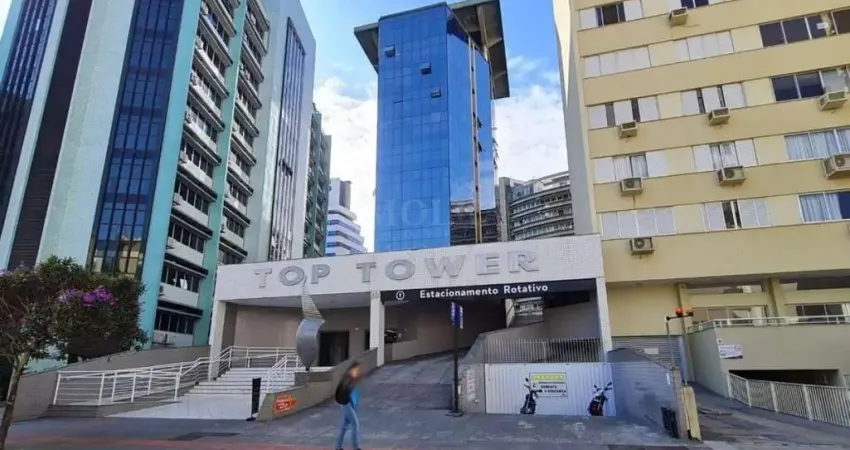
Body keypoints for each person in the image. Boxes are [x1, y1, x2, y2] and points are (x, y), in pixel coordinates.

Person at [333, 362, 362, 450]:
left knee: (343, 427)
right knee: (355, 424)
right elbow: (342, 392)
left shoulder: (350, 379)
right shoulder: (348, 379)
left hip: (347, 404)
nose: (357, 371)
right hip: (346, 405)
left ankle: (337, 447)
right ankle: (356, 447)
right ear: (352, 369)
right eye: (356, 369)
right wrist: (345, 402)